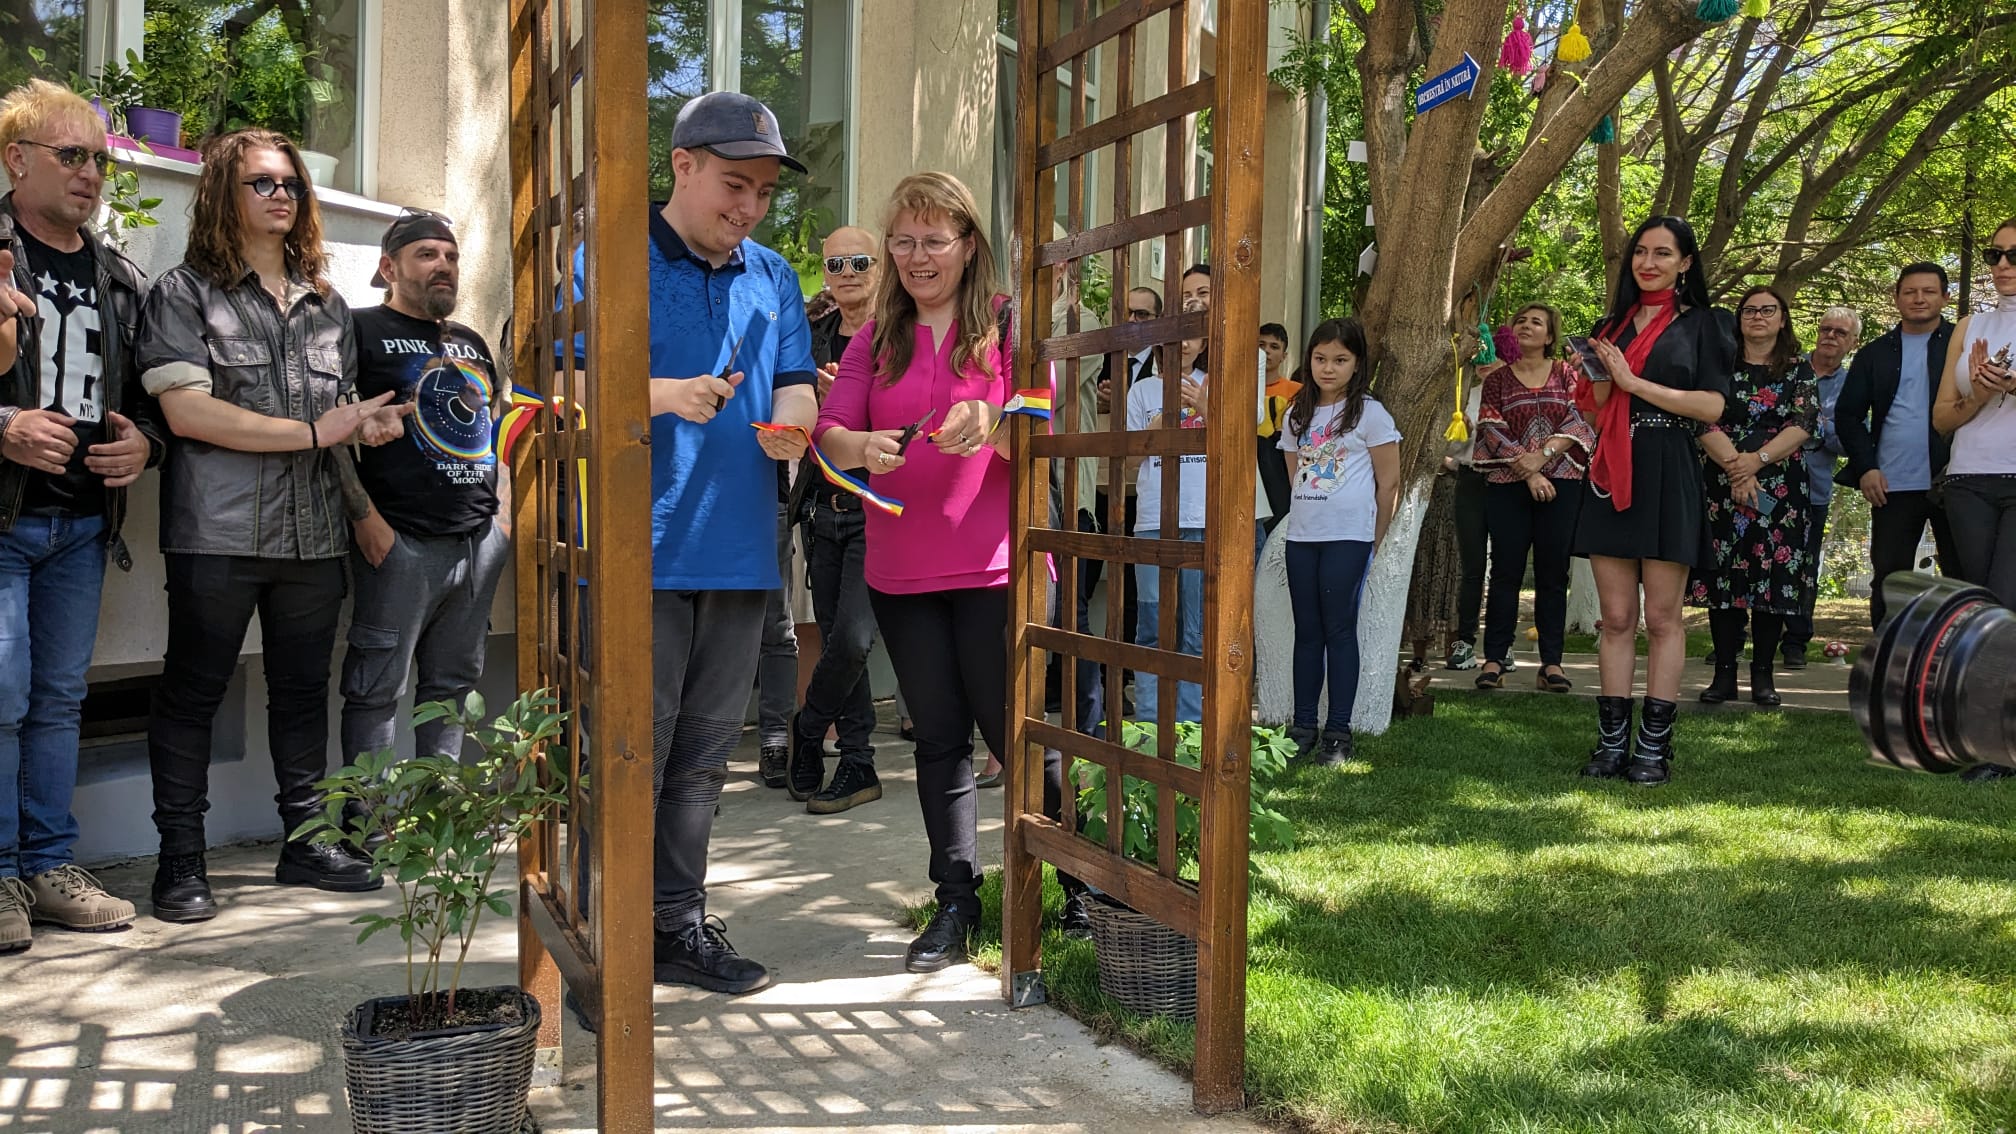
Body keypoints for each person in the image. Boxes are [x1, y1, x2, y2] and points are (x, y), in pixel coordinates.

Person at [570, 91, 819, 993]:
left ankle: (676, 926)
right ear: (681, 165)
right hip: (636, 547)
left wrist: (794, 426)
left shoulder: (773, 274)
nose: (749, 207)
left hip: (741, 546)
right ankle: (603, 932)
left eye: (763, 192)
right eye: (733, 185)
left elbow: (797, 383)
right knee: (627, 752)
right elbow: (559, 384)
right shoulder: (607, 258)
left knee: (706, 757)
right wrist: (663, 395)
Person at [138, 129, 410, 921]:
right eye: (262, 182)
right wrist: (317, 431)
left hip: (315, 535)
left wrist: (363, 439)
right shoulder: (184, 292)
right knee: (194, 695)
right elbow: (187, 415)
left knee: (300, 695)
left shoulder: (327, 303)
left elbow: (337, 426)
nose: (281, 194)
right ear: (224, 193)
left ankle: (307, 842)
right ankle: (180, 861)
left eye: (290, 183)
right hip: (217, 533)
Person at [814, 171, 1083, 971]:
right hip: (902, 571)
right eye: (902, 241)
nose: (916, 256)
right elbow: (831, 431)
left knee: (1019, 732)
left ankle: (1082, 881)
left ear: (969, 244)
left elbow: (1043, 419)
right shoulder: (874, 338)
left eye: (934, 239)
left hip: (997, 567)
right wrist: (860, 447)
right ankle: (956, 899)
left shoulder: (1009, 325)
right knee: (938, 741)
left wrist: (992, 417)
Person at [0, 78, 166, 950]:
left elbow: (149, 403)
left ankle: (47, 865)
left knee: (60, 699)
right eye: (71, 155)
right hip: (3, 520)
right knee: (2, 693)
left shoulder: (120, 278)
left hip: (81, 526)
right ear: (15, 159)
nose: (91, 174)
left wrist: (146, 448)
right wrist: (3, 425)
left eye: (100, 159)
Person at [338, 209, 511, 764]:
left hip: (477, 543)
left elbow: (495, 426)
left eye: (452, 256)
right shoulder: (358, 330)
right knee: (376, 690)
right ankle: (370, 815)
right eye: (427, 255)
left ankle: (442, 810)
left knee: (453, 689)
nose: (444, 266)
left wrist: (501, 522)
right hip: (400, 540)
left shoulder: (472, 342)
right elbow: (329, 431)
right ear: (389, 267)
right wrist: (365, 520)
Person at [1570, 215, 1732, 787]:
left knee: (1663, 618)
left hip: (1669, 468)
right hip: (1611, 469)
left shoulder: (1707, 323)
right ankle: (1612, 743)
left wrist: (1634, 383)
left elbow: (1712, 407)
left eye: (1663, 253)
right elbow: (1595, 406)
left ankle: (1654, 748)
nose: (1648, 262)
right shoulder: (1608, 326)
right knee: (1616, 618)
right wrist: (1597, 375)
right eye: (1641, 251)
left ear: (1685, 263)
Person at [1126, 264, 1267, 722]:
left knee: (1196, 630)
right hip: (1153, 521)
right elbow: (1127, 463)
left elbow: (1242, 439)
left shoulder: (1221, 381)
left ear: (1204, 342)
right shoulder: (1142, 390)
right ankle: (1149, 722)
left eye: (1192, 335)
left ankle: (1189, 726)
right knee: (1153, 624)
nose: (1183, 343)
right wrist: (1156, 427)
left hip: (1205, 519)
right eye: (1175, 335)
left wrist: (1207, 407)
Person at [781, 224, 885, 813]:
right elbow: (786, 406)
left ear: (879, 269)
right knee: (836, 638)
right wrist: (809, 404)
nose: (847, 273)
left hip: (877, 508)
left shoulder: (895, 336)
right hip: (821, 508)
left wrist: (849, 401)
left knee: (853, 638)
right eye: (836, 264)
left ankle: (807, 726)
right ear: (825, 272)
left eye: (859, 262)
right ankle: (858, 761)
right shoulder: (811, 336)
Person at [1277, 318, 1399, 763]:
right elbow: (1295, 475)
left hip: (1349, 537)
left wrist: (1374, 538)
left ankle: (1338, 733)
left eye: (1340, 360)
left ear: (1357, 363)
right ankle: (1303, 727)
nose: (1328, 368)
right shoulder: (1296, 413)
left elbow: (1389, 484)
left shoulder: (1370, 413)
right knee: (1307, 633)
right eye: (1320, 358)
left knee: (1340, 631)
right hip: (1302, 537)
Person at [1689, 285, 1817, 708]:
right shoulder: (1717, 366)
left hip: (1779, 487)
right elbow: (1702, 420)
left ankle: (1763, 675)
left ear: (1783, 319)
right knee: (1725, 577)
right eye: (1749, 310)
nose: (1758, 317)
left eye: (1768, 310)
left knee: (1771, 576)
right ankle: (1723, 675)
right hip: (1722, 483)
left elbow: (1803, 423)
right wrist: (1736, 467)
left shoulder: (1799, 369)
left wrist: (1755, 461)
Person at [1471, 302, 1596, 693]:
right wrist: (1528, 472)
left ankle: (1552, 663)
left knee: (1553, 573)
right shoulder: (1497, 379)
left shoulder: (1567, 374)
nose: (1526, 325)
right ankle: (1494, 660)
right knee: (1505, 572)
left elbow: (1579, 419)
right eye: (1520, 320)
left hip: (1562, 483)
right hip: (1508, 484)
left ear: (1550, 335)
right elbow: (1490, 427)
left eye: (1536, 322)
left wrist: (1541, 458)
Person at [1933, 219, 2016, 786]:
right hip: (1968, 480)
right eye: (1995, 254)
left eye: (2014, 255)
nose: (2002, 265)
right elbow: (1943, 418)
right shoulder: (1970, 325)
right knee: (1983, 609)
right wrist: (1981, 394)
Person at [1835, 263, 1956, 629]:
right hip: (1891, 483)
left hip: (1954, 479)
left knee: (1962, 575)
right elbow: (1849, 416)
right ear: (1896, 298)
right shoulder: (1874, 354)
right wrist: (1867, 467)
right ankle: (1886, 658)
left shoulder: (1961, 344)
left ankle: (1960, 657)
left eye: (1928, 291)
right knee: (1890, 578)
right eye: (1910, 292)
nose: (1919, 299)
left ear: (1945, 297)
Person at [1782, 306, 1859, 668]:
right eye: (1826, 328)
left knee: (1804, 567)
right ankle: (1733, 639)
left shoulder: (1853, 386)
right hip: (1766, 481)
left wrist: (1815, 424)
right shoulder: (1786, 368)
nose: (1830, 336)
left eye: (1840, 333)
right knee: (1748, 560)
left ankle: (1795, 642)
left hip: (1813, 488)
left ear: (1853, 342)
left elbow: (1849, 441)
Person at [1256, 321, 1296, 534]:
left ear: (1284, 355)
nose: (1267, 351)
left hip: (1278, 470)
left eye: (1274, 346)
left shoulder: (1297, 391)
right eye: (1261, 345)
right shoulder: (1240, 388)